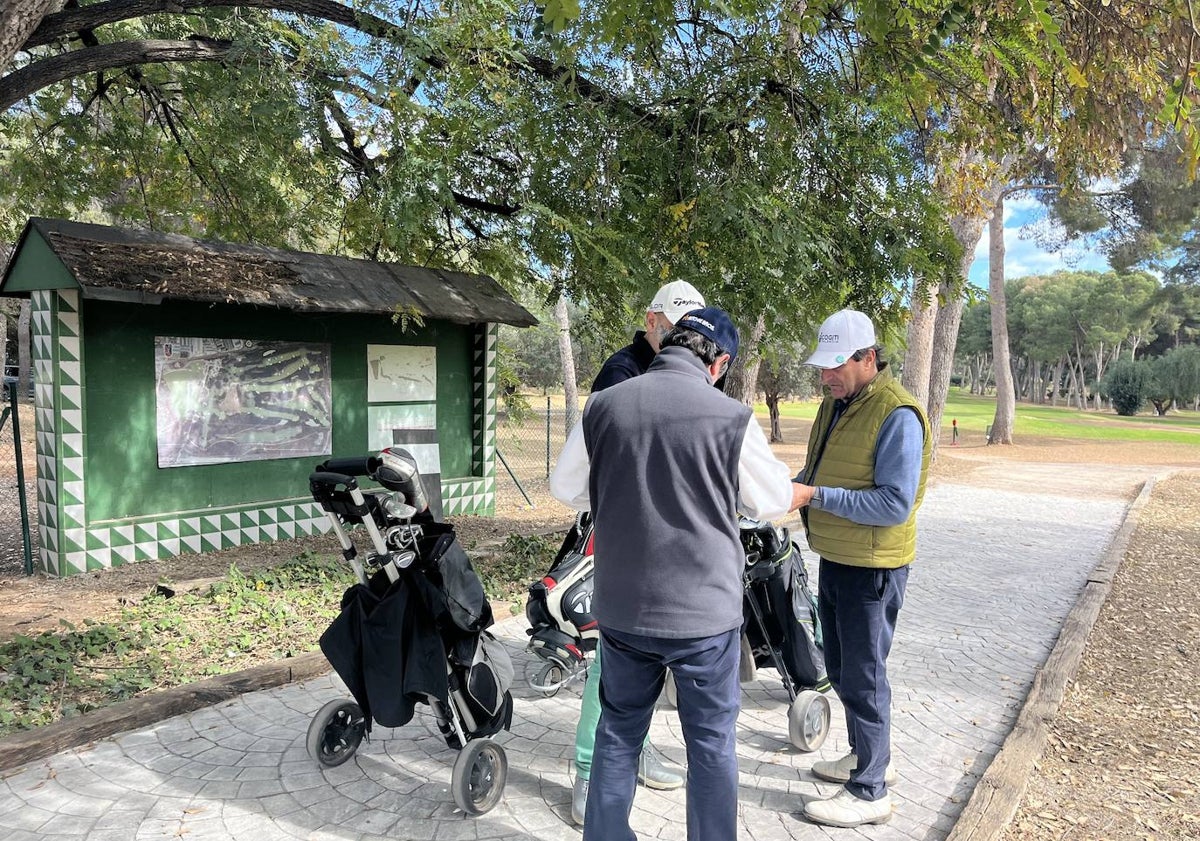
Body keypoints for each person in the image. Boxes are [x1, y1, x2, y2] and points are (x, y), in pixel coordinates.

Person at [550, 307, 804, 841]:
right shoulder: (731, 418)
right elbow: (773, 498)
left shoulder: (602, 406)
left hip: (621, 609)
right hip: (703, 617)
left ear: (669, 342)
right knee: (711, 745)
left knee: (618, 732)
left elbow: (567, 489)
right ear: (720, 363)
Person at [566, 279, 706, 826]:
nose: (681, 335)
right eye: (673, 324)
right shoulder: (620, 373)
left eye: (689, 326)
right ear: (652, 320)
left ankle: (633, 750)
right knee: (610, 655)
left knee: (640, 667)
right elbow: (587, 471)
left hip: (665, 542)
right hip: (620, 539)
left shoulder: (685, 370)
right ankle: (587, 770)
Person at [791, 308, 931, 828]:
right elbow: (819, 469)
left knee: (866, 676)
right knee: (844, 668)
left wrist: (814, 494)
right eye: (823, 366)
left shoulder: (897, 414)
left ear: (868, 358)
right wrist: (784, 492)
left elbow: (894, 504)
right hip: (838, 556)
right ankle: (862, 758)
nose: (826, 375)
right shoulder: (841, 403)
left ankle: (871, 789)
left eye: (836, 365)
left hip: (872, 568)